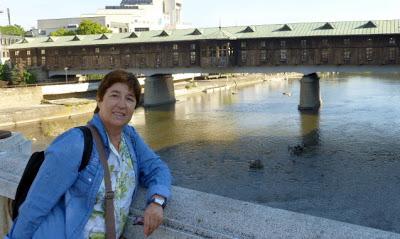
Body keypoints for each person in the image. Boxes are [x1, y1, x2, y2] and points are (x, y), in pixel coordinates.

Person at [6, 69, 172, 239]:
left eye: (129, 98)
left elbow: (157, 168)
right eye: (114, 95)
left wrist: (157, 201)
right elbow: (36, 206)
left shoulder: (130, 138)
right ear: (99, 100)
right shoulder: (76, 142)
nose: (122, 104)